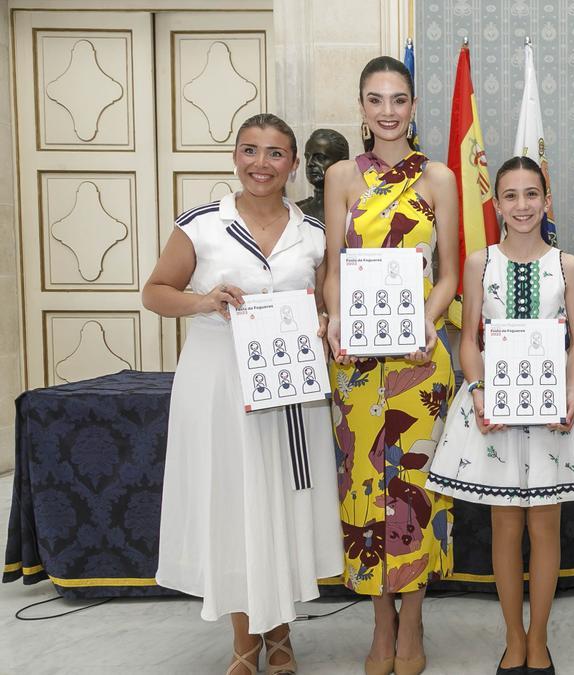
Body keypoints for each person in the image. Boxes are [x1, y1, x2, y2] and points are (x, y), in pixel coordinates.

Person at [144, 113, 341, 675]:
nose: (262, 164)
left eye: (276, 154)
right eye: (251, 151)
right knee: (235, 505)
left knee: (280, 503)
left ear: (294, 165)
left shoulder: (314, 233)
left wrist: (327, 321)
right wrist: (205, 300)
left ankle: (280, 634)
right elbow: (155, 293)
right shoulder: (201, 225)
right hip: (219, 383)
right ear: (235, 156)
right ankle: (245, 641)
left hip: (288, 387)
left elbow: (325, 302)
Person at [426, 156, 574, 675]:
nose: (523, 205)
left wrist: (571, 393)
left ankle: (539, 638)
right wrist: (481, 392)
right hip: (495, 414)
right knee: (505, 528)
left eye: (532, 194)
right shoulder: (479, 263)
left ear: (546, 201)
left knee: (545, 529)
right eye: (511, 195)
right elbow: (468, 342)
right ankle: (512, 635)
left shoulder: (567, 265)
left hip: (553, 412)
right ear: (497, 204)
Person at [321, 56, 460, 675]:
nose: (387, 111)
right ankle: (382, 625)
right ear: (361, 109)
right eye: (375, 100)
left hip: (418, 361)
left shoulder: (440, 178)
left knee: (415, 495)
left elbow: (451, 274)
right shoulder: (342, 177)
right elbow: (332, 269)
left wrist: (424, 321)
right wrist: (336, 322)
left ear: (411, 107)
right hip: (357, 365)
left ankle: (415, 623)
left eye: (398, 99)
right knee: (365, 492)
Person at [295, 128, 350, 222]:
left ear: (342, 161)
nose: (309, 163)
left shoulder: (356, 212)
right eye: (307, 157)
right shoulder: (296, 212)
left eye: (320, 158)